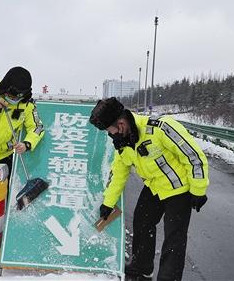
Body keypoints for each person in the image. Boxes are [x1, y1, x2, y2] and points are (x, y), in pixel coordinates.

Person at [89, 97, 209, 281]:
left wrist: (198, 190)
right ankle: (142, 267)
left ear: (121, 124)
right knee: (142, 223)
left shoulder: (161, 128)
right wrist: (108, 203)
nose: (111, 136)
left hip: (180, 190)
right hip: (154, 188)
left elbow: (193, 155)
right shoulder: (124, 144)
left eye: (110, 131)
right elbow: (119, 174)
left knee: (174, 239)